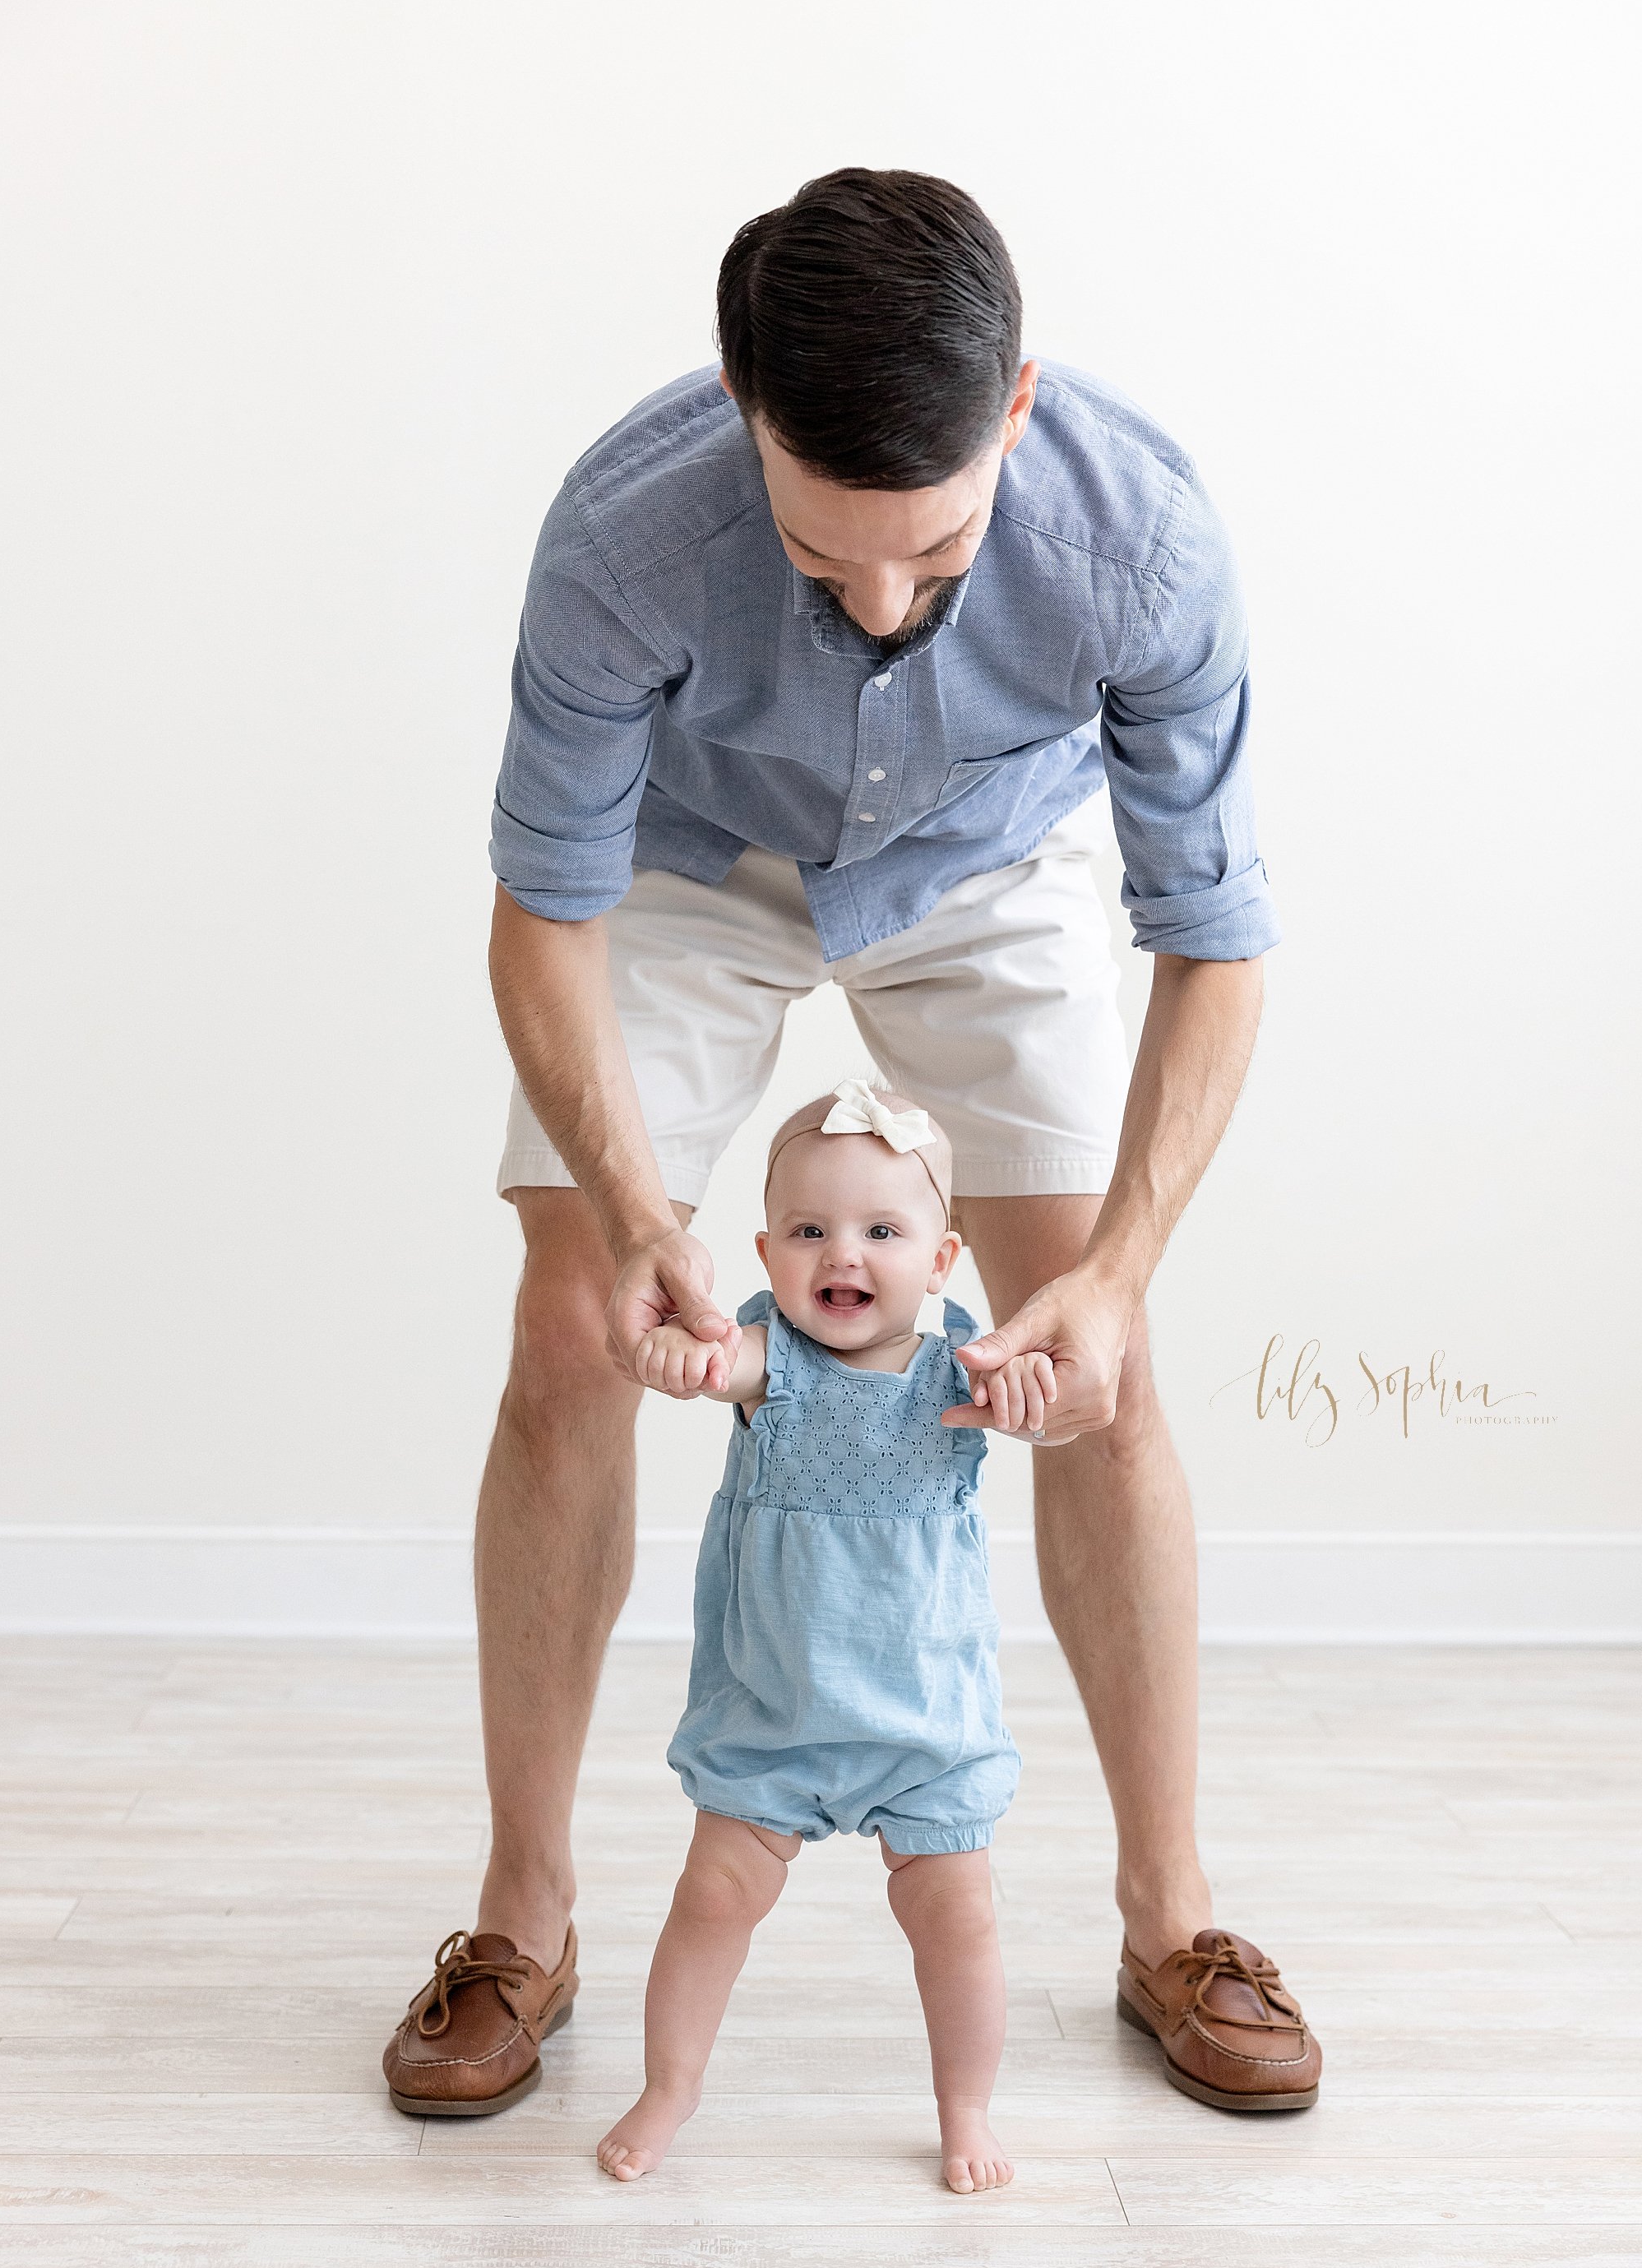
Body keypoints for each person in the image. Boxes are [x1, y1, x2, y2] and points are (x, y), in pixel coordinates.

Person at [381, 165, 1322, 2125]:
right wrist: (640, 1212)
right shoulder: (623, 538)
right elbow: (543, 911)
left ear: (1016, 408)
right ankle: (523, 1913)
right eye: (825, 563)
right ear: (743, 416)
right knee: (571, 1318)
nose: (884, 604)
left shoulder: (1140, 542)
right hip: (694, 853)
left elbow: (1215, 941)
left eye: (937, 553)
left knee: (1090, 1364)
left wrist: (1121, 1269)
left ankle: (1172, 1919)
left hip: (990, 861)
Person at [600, 1080, 1047, 2192]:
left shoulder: (962, 1372)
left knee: (960, 1923)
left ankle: (965, 2107)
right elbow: (718, 1368)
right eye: (809, 1231)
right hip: (776, 1716)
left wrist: (1038, 1385)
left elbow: (1045, 1394)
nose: (842, 1254)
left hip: (924, 1724)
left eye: (882, 1231)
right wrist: (678, 1360)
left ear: (942, 1260)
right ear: (765, 1250)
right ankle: (669, 2086)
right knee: (711, 1901)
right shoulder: (769, 1360)